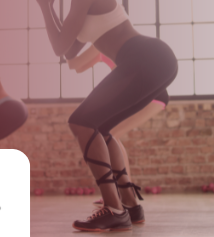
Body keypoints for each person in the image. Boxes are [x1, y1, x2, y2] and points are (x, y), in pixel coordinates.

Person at [33, 0, 178, 232]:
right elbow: (69, 52)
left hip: (144, 58)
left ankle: (113, 208)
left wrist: (46, 7)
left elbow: (59, 45)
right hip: (149, 61)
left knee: (81, 122)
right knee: (103, 128)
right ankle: (130, 206)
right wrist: (50, 10)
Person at [67, 44, 169, 207]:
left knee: (110, 134)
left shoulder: (101, 42)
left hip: (152, 94)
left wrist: (68, 45)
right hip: (151, 92)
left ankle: (122, 193)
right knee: (109, 134)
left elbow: (73, 64)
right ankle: (122, 193)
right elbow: (79, 68)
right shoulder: (101, 48)